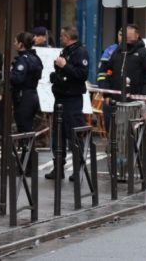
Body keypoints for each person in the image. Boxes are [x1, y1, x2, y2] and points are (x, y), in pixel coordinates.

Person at [46, 26, 89, 180]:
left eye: (62, 36)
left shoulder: (80, 52)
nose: (59, 38)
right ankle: (58, 168)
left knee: (74, 134)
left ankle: (77, 170)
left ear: (68, 37)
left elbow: (82, 74)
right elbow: (62, 73)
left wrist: (65, 66)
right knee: (58, 135)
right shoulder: (66, 51)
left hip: (72, 99)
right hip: (60, 97)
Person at [100, 24, 146, 102]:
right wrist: (107, 95)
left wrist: (145, 97)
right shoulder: (116, 52)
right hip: (114, 101)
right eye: (125, 33)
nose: (127, 35)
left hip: (137, 102)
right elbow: (108, 73)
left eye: (130, 33)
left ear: (137, 35)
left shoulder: (145, 53)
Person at [10, 32, 43, 134]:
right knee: (28, 128)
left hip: (23, 97)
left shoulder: (23, 60)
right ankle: (28, 149)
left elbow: (17, 79)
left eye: (16, 42)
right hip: (33, 95)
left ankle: (29, 150)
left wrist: (1, 74)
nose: (14, 44)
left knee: (24, 129)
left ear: (21, 44)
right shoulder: (36, 58)